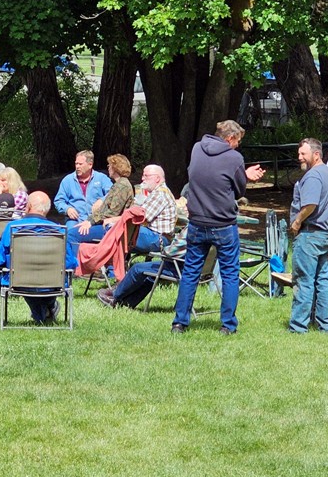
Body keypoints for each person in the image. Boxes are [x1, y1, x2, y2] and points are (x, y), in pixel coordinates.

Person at [171, 120, 265, 335]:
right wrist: (245, 175)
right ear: (230, 138)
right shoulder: (234, 158)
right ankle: (228, 325)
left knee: (190, 273)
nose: (238, 145)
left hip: (196, 222)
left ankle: (179, 322)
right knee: (230, 273)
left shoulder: (197, 148)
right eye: (238, 141)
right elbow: (239, 191)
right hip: (223, 224)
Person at [0, 191, 78, 324]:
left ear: (28, 206)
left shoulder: (13, 228)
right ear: (47, 210)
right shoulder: (59, 231)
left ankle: (43, 313)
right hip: (53, 283)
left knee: (30, 288)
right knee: (44, 290)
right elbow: (70, 262)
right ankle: (46, 309)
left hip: (19, 282)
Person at [288, 138, 328, 333]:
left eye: (303, 154)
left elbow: (310, 204)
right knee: (323, 280)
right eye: (299, 153)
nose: (299, 157)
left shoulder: (313, 176)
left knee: (304, 281)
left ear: (316, 154)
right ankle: (327, 325)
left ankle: (298, 326)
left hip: (310, 234)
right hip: (325, 234)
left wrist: (297, 221)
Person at [98, 225, 187, 310]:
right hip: (189, 269)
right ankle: (127, 302)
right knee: (150, 277)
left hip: (179, 268)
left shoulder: (191, 230)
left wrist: (163, 251)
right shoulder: (198, 229)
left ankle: (114, 296)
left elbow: (171, 252)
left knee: (137, 268)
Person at [67, 154, 134, 254]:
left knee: (72, 234)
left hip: (112, 229)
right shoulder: (118, 185)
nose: (108, 168)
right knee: (74, 229)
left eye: (109, 165)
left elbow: (112, 212)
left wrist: (90, 222)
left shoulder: (122, 186)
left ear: (115, 168)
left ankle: (75, 266)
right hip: (108, 226)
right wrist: (89, 220)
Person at [115, 164, 177, 255]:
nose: (142, 178)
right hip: (155, 236)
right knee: (119, 232)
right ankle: (118, 266)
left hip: (158, 239)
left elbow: (139, 218)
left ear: (157, 178)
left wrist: (114, 220)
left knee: (116, 231)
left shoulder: (160, 194)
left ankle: (113, 268)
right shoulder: (157, 192)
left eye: (146, 176)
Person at [53, 150, 113, 227]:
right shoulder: (67, 180)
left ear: (90, 165)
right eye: (76, 164)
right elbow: (59, 201)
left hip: (97, 218)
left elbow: (113, 193)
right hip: (75, 220)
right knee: (71, 233)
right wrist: (67, 209)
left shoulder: (101, 178)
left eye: (80, 164)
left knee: (108, 231)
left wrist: (102, 200)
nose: (77, 166)